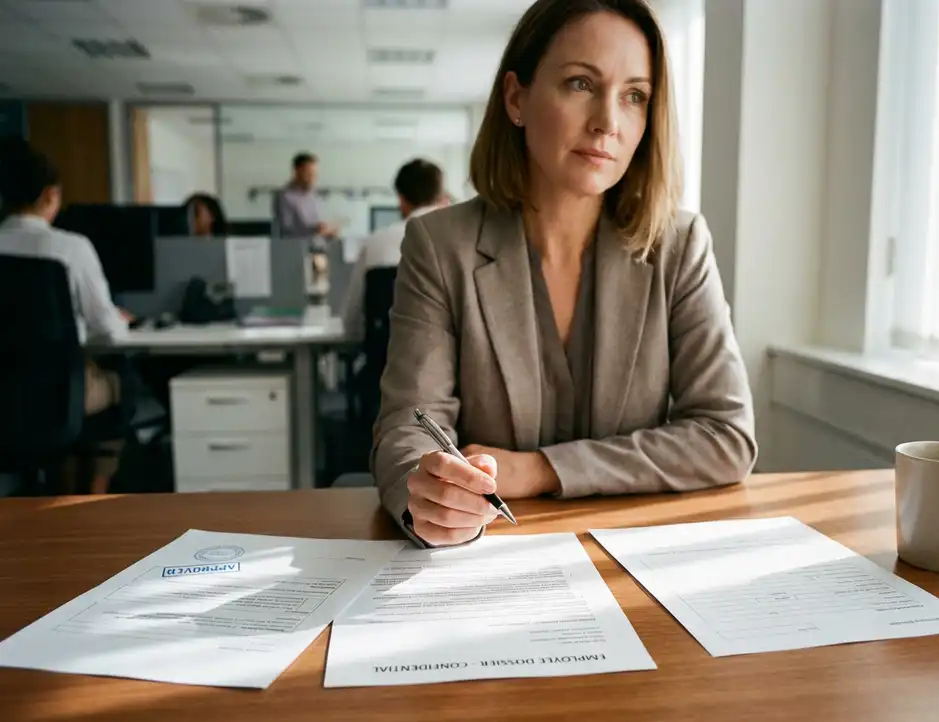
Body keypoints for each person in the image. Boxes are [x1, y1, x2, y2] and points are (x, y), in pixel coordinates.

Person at [371, 0, 757, 548]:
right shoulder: (440, 245)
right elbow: (409, 426)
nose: (608, 122)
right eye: (580, 83)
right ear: (516, 98)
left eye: (635, 96)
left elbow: (725, 438)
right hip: (488, 564)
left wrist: (540, 470)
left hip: (636, 556)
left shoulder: (679, 245)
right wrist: (425, 491)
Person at [0, 138, 130, 492]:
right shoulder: (70, 247)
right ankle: (93, 491)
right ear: (49, 195)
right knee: (122, 382)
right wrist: (120, 320)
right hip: (58, 391)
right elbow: (110, 333)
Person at [342, 158, 448, 341]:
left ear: (401, 198)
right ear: (441, 196)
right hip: (447, 366)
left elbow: (352, 322)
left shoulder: (375, 243)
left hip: (383, 364)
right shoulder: (462, 244)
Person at [274, 152, 339, 238]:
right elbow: (286, 228)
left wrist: (327, 231)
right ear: (297, 171)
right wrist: (314, 229)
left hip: (316, 247)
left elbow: (317, 225)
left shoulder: (313, 195)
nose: (313, 178)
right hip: (294, 248)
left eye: (314, 174)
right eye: (309, 173)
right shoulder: (285, 197)